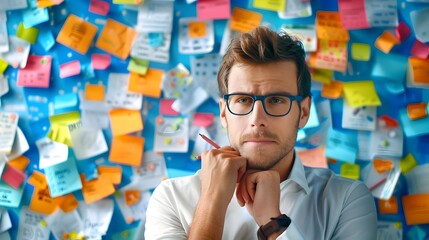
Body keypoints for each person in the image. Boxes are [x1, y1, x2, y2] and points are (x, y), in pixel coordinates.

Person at [145, 26, 377, 240]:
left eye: (277, 100)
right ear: (224, 113)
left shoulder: (347, 199)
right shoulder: (171, 197)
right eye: (243, 100)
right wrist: (212, 200)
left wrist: (272, 222)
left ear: (304, 112)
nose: (257, 120)